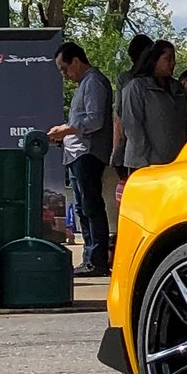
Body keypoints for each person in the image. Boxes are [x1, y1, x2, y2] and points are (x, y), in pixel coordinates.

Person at [48, 42, 114, 276]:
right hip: (76, 153)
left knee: (91, 206)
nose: (65, 75)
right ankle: (90, 257)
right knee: (83, 208)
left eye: (65, 69)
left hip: (88, 153)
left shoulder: (94, 82)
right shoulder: (85, 84)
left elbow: (95, 120)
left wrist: (66, 130)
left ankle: (97, 259)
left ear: (76, 61)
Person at [120, 40, 187, 169]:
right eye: (167, 59)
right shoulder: (136, 87)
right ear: (154, 60)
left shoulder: (178, 89)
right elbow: (132, 126)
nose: (172, 63)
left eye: (174, 59)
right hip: (144, 164)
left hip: (175, 162)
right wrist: (147, 156)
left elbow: (185, 123)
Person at [110, 33, 153, 181]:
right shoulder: (129, 79)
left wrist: (116, 152)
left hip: (132, 145)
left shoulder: (126, 78)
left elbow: (118, 117)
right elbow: (118, 117)